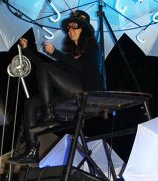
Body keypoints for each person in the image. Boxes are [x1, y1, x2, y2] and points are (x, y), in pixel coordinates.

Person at [10, 10, 101, 165]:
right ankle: (31, 150)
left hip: (87, 92)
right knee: (30, 103)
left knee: (46, 69)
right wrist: (26, 49)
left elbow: (80, 68)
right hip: (71, 93)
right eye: (69, 28)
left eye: (75, 27)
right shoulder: (71, 54)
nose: (70, 31)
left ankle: (49, 113)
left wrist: (56, 53)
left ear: (84, 30)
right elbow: (43, 67)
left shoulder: (93, 48)